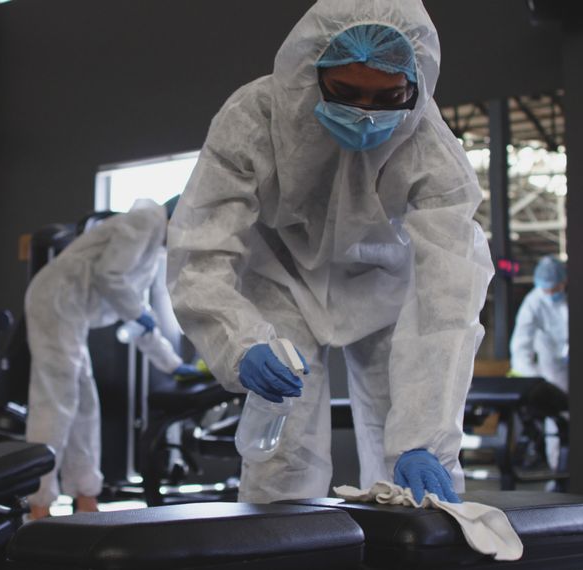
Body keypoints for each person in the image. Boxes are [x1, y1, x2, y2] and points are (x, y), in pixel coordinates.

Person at [167, 0, 493, 504]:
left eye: (389, 97)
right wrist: (238, 339)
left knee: (411, 466)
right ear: (308, 70)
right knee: (284, 455)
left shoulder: (429, 145)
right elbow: (200, 250)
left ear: (417, 86)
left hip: (383, 283)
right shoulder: (254, 117)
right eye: (345, 92)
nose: (364, 115)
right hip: (280, 275)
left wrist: (426, 436)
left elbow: (448, 297)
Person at [24, 198, 194, 520]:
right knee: (55, 401)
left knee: (84, 403)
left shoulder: (153, 246)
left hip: (70, 312)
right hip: (56, 301)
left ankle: (86, 496)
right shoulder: (146, 220)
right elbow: (110, 275)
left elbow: (137, 314)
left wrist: (173, 365)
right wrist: (138, 312)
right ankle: (38, 504)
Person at [509, 255, 569, 471]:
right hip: (550, 370)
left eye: (556, 289)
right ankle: (558, 472)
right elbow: (521, 345)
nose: (551, 294)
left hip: (575, 365)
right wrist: (533, 381)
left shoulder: (573, 297)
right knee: (557, 420)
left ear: (564, 282)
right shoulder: (533, 302)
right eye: (547, 290)